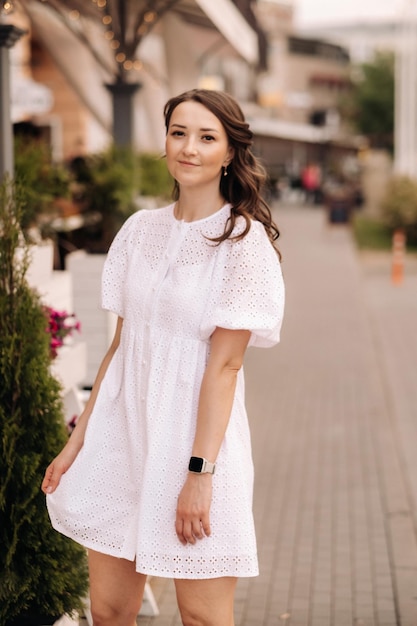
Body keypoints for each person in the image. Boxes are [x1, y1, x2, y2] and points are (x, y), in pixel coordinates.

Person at [42, 89, 285, 626]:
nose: (189, 148)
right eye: (179, 133)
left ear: (229, 152)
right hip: (121, 439)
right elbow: (120, 349)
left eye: (206, 137)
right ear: (166, 141)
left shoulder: (243, 244)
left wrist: (199, 474)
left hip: (192, 446)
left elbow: (225, 368)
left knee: (201, 619)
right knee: (109, 612)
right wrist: (77, 442)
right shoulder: (138, 231)